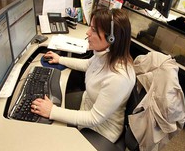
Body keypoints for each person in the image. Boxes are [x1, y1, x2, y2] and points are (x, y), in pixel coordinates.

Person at [31, 8, 136, 143]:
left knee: (48, 138)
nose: (87, 33)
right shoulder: (106, 55)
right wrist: (60, 59)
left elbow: (94, 118)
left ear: (111, 38)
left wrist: (52, 111)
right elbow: (88, 64)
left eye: (93, 29)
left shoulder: (119, 77)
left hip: (100, 130)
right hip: (87, 104)